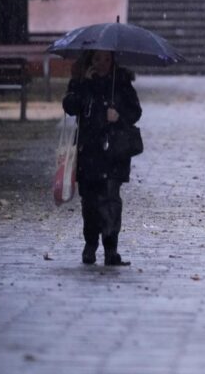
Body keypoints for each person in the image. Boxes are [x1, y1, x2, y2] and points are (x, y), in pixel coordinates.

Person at [62, 50, 142, 266]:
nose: (102, 64)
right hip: (88, 149)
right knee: (89, 201)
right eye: (97, 59)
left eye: (107, 59)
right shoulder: (81, 81)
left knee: (110, 199)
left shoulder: (122, 82)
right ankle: (90, 244)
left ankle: (110, 248)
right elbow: (69, 106)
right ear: (90, 60)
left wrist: (119, 115)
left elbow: (135, 111)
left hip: (114, 150)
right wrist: (83, 86)